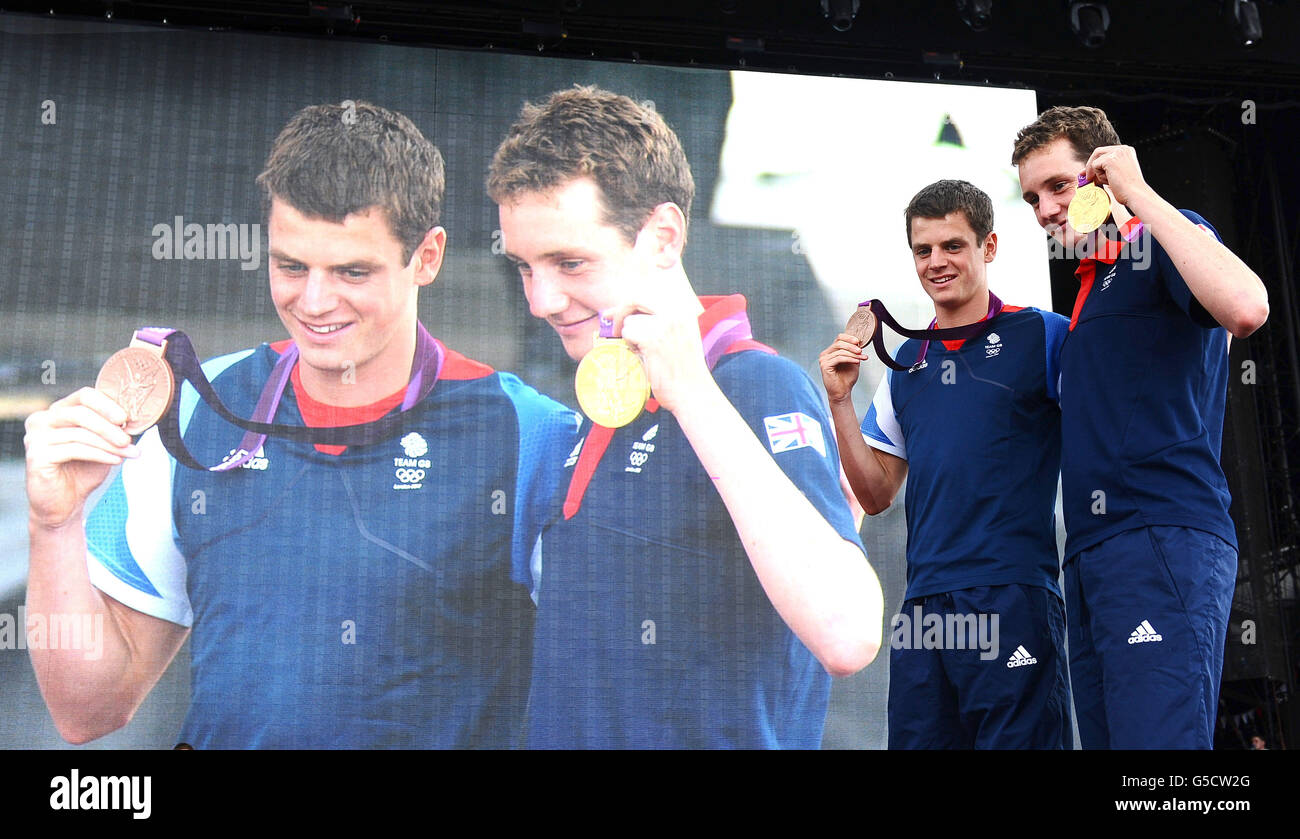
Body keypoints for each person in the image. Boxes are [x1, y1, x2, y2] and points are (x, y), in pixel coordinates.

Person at [23, 101, 578, 748]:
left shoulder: (530, 436)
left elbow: (618, 699)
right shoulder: (200, 409)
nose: (313, 302)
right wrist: (54, 524)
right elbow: (85, 710)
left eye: (351, 271)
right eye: (291, 266)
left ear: (427, 257)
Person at [487, 85, 884, 749]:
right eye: (525, 267)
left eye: (569, 261)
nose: (541, 299)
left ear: (664, 236)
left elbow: (848, 634)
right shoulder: (590, 410)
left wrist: (692, 393)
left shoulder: (754, 384)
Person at [1013, 105, 1269, 749]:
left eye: (1058, 186)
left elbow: (1246, 307)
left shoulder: (1160, 240)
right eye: (1031, 197)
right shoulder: (1089, 286)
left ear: (1104, 175)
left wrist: (1141, 194)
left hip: (1162, 535)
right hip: (1094, 555)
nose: (1044, 209)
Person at [820, 180, 1072, 749]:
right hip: (925, 606)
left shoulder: (1045, 335)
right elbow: (877, 493)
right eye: (923, 250)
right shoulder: (907, 358)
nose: (937, 262)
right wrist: (839, 400)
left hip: (1012, 592)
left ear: (989, 247)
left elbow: (1110, 423)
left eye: (952, 246)